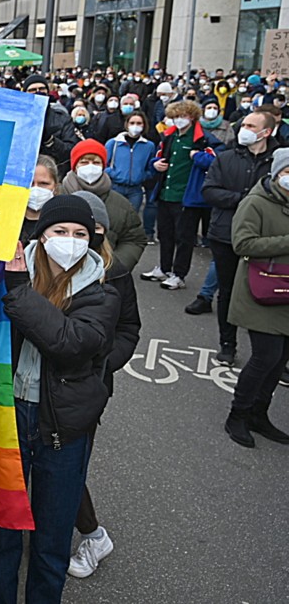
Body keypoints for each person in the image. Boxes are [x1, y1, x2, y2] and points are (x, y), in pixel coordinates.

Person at [0, 195, 119, 604]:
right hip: (8, 415)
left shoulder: (102, 293)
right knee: (2, 531)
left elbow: (68, 342)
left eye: (79, 234)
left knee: (51, 540)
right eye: (60, 231)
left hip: (62, 426)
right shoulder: (14, 272)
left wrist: (18, 288)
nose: (70, 240)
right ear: (41, 237)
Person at [65, 192, 140, 580]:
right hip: (41, 383)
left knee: (68, 466)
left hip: (87, 388)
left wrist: (99, 365)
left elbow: (129, 329)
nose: (75, 239)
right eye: (63, 229)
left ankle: (93, 535)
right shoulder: (44, 263)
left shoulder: (116, 272)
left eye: (88, 230)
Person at [200, 108, 282, 365]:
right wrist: (245, 201)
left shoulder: (278, 162)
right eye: (243, 124)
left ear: (266, 132)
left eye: (250, 125)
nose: (242, 129)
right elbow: (210, 191)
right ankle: (228, 343)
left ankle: (271, 351)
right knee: (228, 291)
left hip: (265, 238)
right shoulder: (225, 158)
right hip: (226, 234)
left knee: (269, 289)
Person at [222, 146, 289, 448]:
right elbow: (244, 243)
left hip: (286, 291)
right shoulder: (256, 202)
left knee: (279, 360)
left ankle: (259, 414)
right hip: (261, 290)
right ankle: (238, 414)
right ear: (277, 174)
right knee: (266, 357)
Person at [140, 100, 219, 290]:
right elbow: (158, 156)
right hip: (165, 192)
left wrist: (197, 156)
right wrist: (155, 163)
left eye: (182, 116)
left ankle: (179, 274)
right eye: (175, 116)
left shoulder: (203, 138)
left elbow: (216, 160)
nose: (178, 120)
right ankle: (164, 268)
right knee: (165, 234)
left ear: (191, 117)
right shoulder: (169, 136)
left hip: (187, 196)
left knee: (184, 238)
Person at [61, 139, 148, 271]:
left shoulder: (120, 203)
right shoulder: (57, 196)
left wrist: (116, 266)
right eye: (84, 162)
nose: (90, 167)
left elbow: (134, 239)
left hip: (105, 278)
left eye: (96, 162)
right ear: (75, 166)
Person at [24, 75, 80, 175]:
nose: (38, 91)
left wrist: (50, 141)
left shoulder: (62, 118)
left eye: (41, 88)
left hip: (54, 173)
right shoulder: (18, 118)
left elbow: (70, 151)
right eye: (32, 90)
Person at [22, 155, 61, 245]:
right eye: (30, 183)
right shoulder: (5, 222)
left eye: (43, 183)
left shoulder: (62, 223)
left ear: (55, 186)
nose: (36, 189)